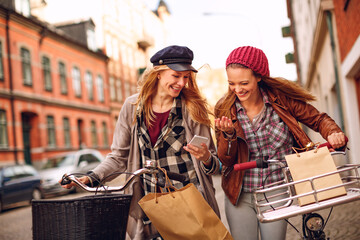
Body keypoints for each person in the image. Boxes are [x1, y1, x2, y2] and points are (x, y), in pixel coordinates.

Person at [61, 45, 220, 240]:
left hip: (189, 201)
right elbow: (119, 157)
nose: (182, 83)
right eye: (176, 76)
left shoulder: (192, 108)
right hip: (149, 203)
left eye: (186, 77)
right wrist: (92, 177)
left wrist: (206, 158)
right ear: (158, 74)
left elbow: (213, 165)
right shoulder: (132, 107)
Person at [214, 46, 347, 240]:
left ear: (259, 77)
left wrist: (333, 133)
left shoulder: (282, 100)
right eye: (231, 83)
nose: (237, 89)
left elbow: (317, 119)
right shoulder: (224, 108)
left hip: (277, 191)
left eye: (244, 82)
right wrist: (228, 136)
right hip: (240, 195)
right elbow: (226, 160)